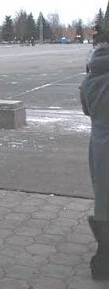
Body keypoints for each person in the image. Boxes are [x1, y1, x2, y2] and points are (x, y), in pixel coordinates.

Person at [81, 32, 109, 280]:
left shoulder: (90, 78)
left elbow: (87, 109)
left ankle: (102, 261)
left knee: (104, 201)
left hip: (100, 147)